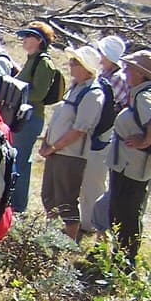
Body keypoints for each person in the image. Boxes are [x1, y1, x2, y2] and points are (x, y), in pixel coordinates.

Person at [39, 45, 105, 241]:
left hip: (71, 156)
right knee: (48, 197)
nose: (70, 65)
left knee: (65, 200)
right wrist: (47, 144)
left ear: (87, 68)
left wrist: (54, 146)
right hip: (56, 152)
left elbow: (79, 130)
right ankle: (48, 239)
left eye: (75, 62)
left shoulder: (93, 94)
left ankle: (68, 243)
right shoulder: (75, 88)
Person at [106, 49, 151, 264]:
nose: (126, 71)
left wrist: (144, 142)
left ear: (142, 74)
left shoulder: (144, 96)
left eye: (130, 68)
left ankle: (125, 262)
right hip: (126, 164)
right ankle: (119, 258)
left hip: (133, 167)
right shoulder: (139, 93)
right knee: (119, 212)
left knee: (127, 214)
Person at [9, 22, 59, 213]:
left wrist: (14, 90)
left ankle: (18, 205)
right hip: (22, 117)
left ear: (39, 40)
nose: (24, 40)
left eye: (28, 36)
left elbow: (38, 94)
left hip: (30, 118)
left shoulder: (44, 62)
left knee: (20, 161)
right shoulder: (32, 59)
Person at [79, 35, 127, 234]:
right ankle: (87, 220)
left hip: (106, 137)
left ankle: (91, 223)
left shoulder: (116, 80)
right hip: (101, 135)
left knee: (94, 181)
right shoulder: (108, 76)